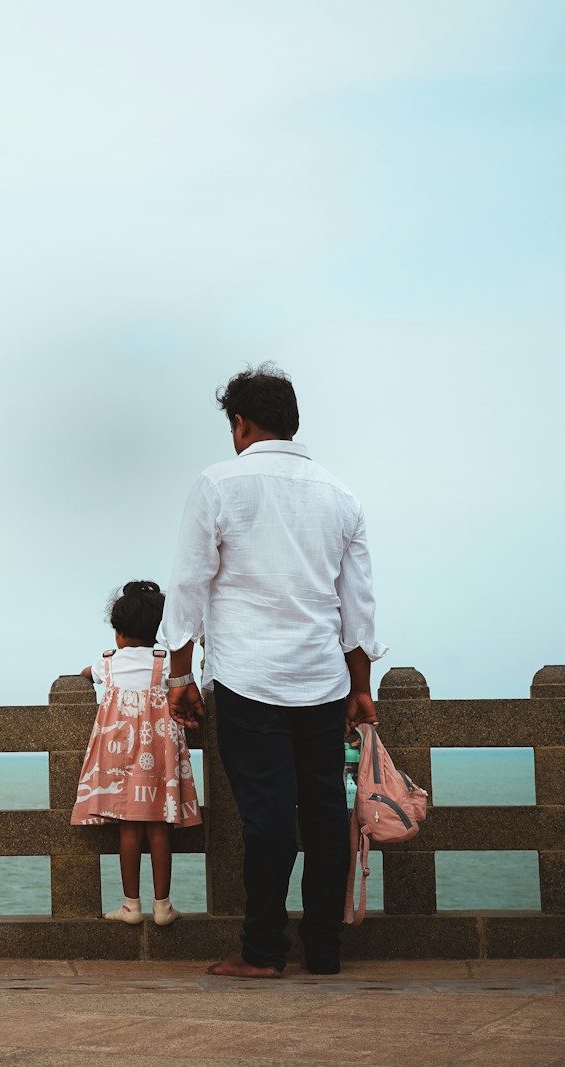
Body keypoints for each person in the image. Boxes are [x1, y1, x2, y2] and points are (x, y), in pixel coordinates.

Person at [159, 364, 385, 978]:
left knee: (267, 817)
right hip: (323, 681)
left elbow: (188, 584)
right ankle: (326, 949)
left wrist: (179, 678)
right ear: (293, 422)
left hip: (248, 678)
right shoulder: (341, 496)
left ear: (240, 424)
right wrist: (360, 686)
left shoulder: (218, 484)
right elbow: (356, 603)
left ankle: (262, 950)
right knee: (323, 812)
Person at [71, 580, 202, 927]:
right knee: (159, 829)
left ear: (118, 633)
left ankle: (131, 905)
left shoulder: (108, 663)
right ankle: (163, 905)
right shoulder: (167, 661)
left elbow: (88, 674)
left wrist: (84, 674)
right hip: (159, 753)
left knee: (128, 830)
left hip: (120, 756)